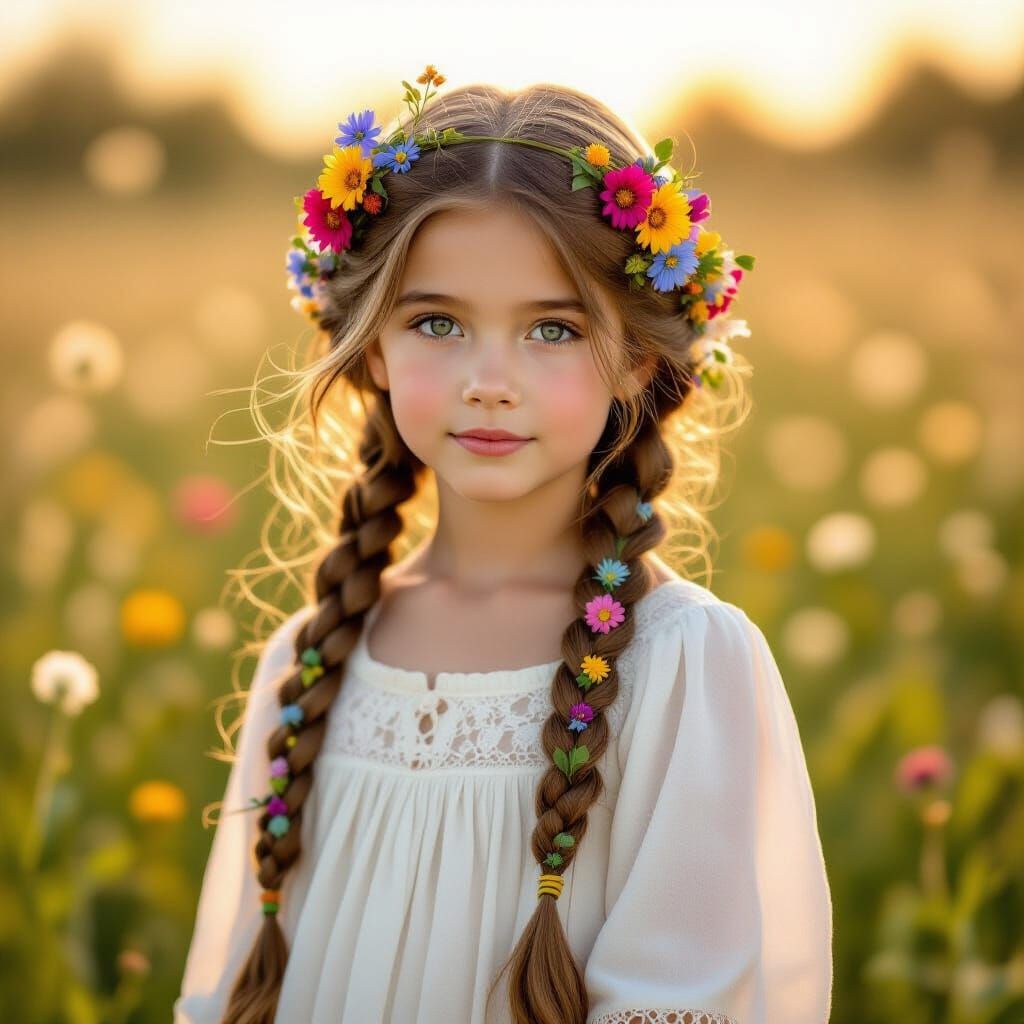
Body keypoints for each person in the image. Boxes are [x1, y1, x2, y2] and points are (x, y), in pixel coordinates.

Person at [174, 65, 833, 1024]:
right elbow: (223, 990)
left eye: (553, 330)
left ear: (637, 357)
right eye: (437, 322)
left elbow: (680, 994)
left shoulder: (683, 663)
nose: (490, 379)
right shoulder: (312, 659)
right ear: (372, 349)